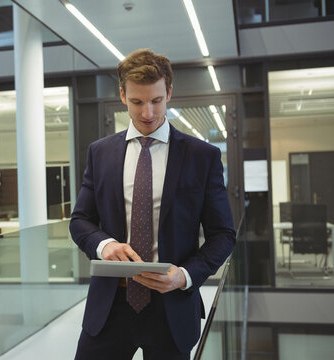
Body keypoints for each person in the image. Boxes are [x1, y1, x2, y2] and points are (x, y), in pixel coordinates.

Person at [69, 49, 235, 359]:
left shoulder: (202, 157)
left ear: (169, 92)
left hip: (171, 308)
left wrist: (183, 276)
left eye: (156, 101)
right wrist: (105, 246)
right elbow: (80, 221)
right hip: (109, 307)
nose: (147, 113)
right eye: (137, 102)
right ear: (122, 95)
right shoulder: (100, 153)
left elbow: (223, 235)